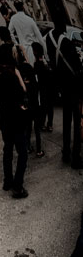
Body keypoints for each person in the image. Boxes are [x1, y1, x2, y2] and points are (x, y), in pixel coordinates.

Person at [46, 20, 83, 168]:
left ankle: (66, 152)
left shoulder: (49, 39)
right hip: (73, 86)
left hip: (61, 86)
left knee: (66, 121)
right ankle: (76, 157)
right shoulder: (67, 42)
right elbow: (77, 66)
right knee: (76, 122)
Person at [0, 43, 29, 198]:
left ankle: (7, 181)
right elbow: (23, 91)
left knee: (7, 149)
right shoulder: (11, 75)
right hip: (16, 118)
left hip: (4, 117)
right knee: (22, 152)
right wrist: (18, 73)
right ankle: (18, 186)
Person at [8, 0, 47, 66]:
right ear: (23, 7)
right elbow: (39, 36)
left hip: (24, 50)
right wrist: (45, 53)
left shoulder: (14, 18)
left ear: (15, 8)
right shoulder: (30, 19)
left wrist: (17, 44)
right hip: (35, 49)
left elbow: (9, 32)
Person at [32, 41, 54, 140]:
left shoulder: (37, 64)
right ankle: (50, 124)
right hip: (50, 87)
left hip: (42, 88)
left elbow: (35, 76)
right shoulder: (46, 62)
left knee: (44, 107)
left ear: (35, 52)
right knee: (50, 106)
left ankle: (43, 124)